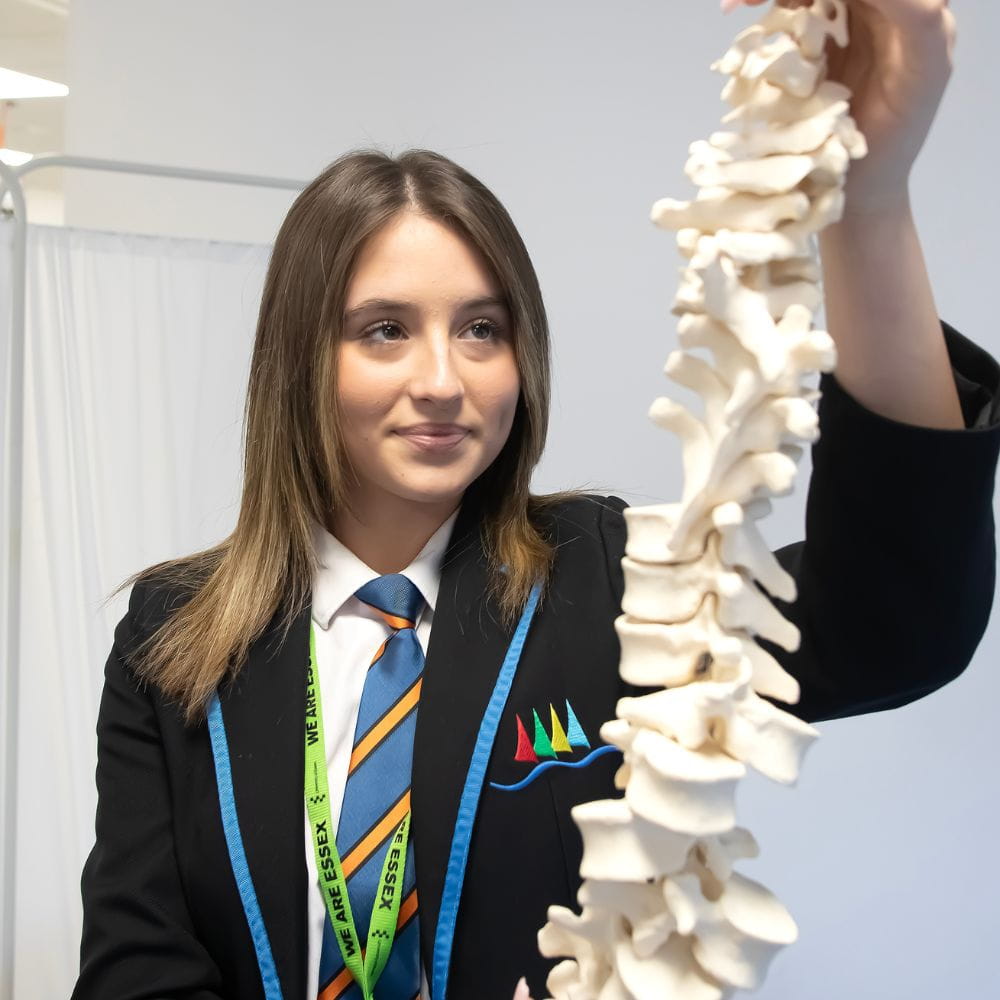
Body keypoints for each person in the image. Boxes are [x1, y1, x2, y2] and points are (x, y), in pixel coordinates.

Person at [72, 1, 999, 999]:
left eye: (481, 328)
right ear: (299, 358)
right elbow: (137, 967)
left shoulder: (610, 577)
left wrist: (870, 201)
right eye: (384, 329)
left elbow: (891, 623)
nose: (442, 378)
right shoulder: (172, 637)